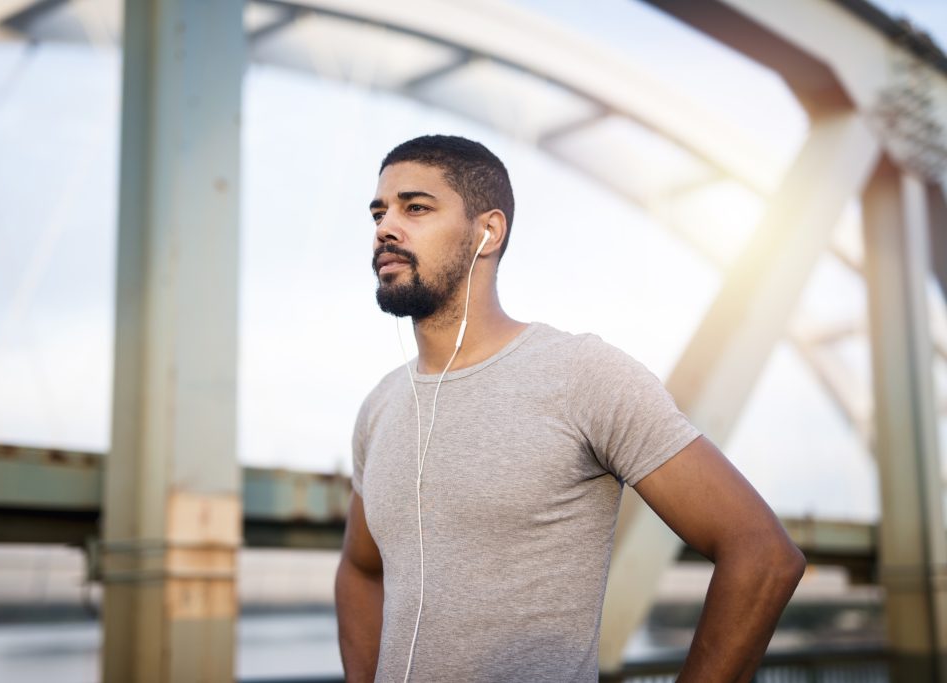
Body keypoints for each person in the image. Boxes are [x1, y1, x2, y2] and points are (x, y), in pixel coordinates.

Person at [335, 134, 805, 683]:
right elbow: (360, 571)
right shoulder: (380, 407)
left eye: (415, 208)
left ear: (488, 232)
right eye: (379, 212)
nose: (385, 228)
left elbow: (763, 555)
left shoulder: (582, 375)